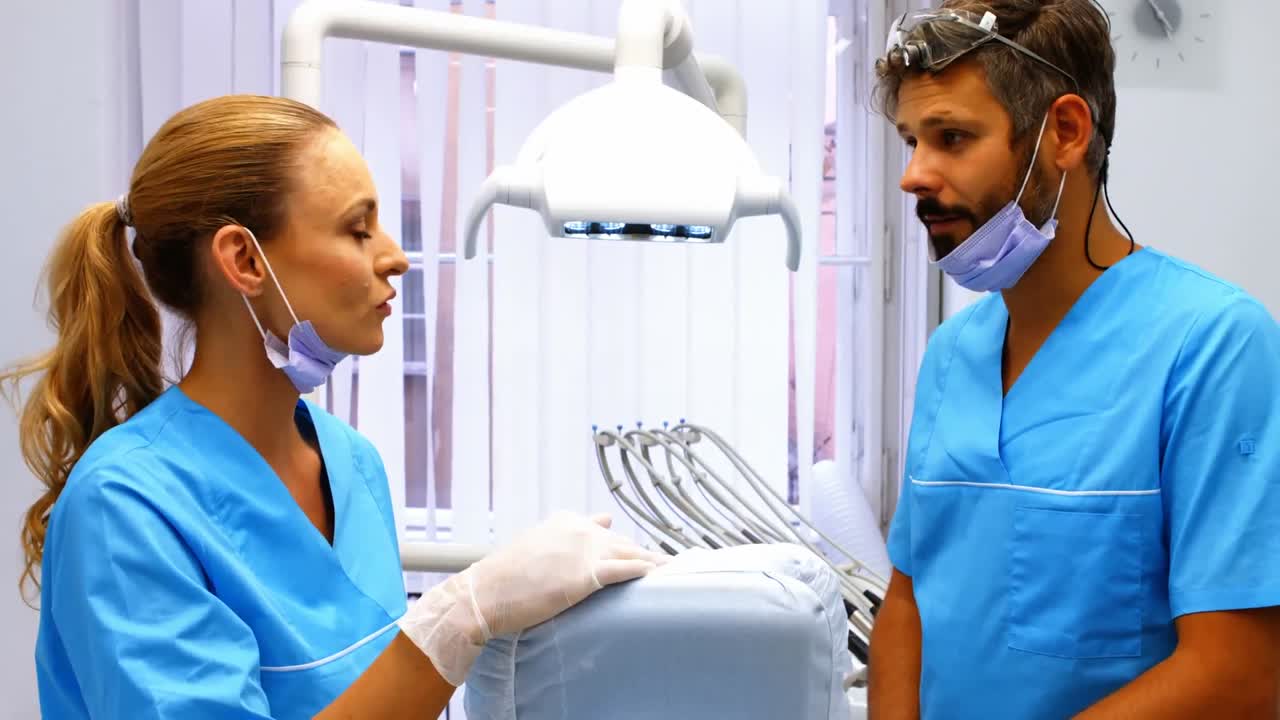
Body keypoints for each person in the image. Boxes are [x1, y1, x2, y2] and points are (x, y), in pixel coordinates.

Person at [4, 94, 666, 719]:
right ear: (244, 258)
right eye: (358, 229)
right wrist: (460, 617)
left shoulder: (352, 464)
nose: (396, 258)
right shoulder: (125, 505)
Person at [865, 2, 1280, 718]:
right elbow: (909, 601)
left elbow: (1239, 672)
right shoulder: (953, 353)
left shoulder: (1213, 345)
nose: (914, 175)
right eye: (911, 140)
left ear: (1064, 132)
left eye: (952, 138)